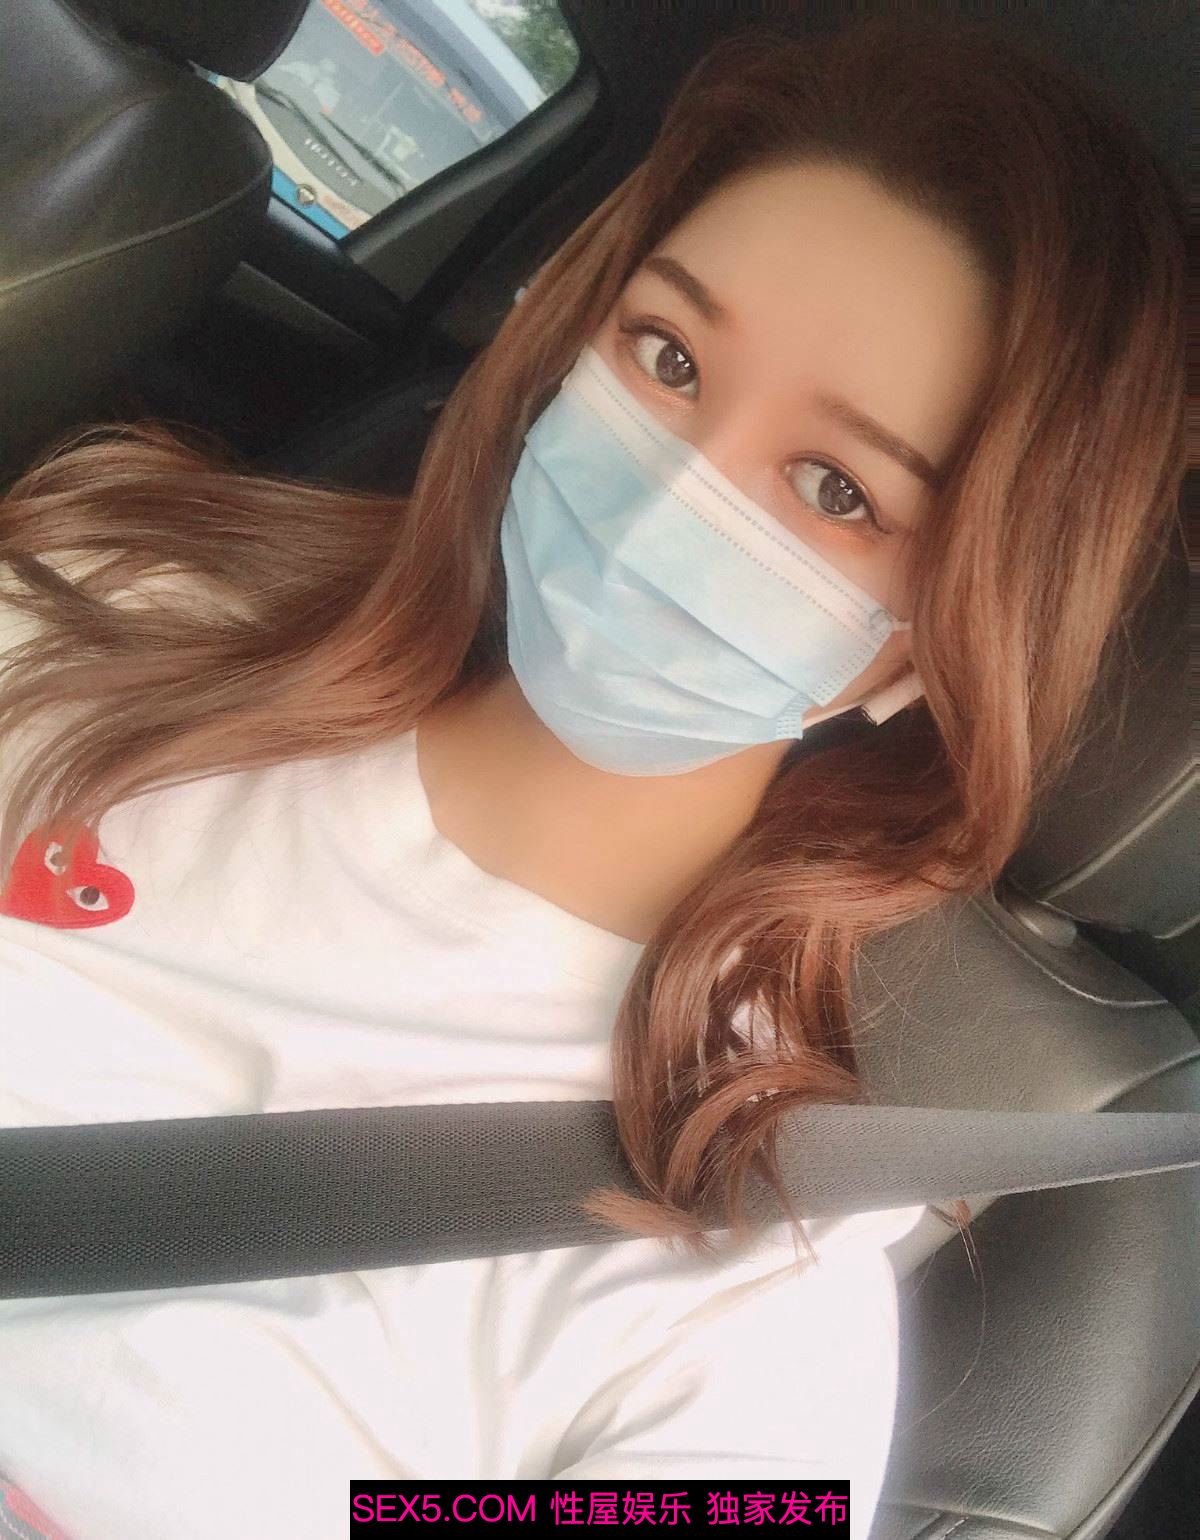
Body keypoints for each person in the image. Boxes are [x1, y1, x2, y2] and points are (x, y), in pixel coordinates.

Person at [0, 12, 1184, 1540]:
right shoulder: (124, 599)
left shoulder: (748, 1303)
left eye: (837, 488)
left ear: (936, 646)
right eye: (667, 355)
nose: (674, 492)